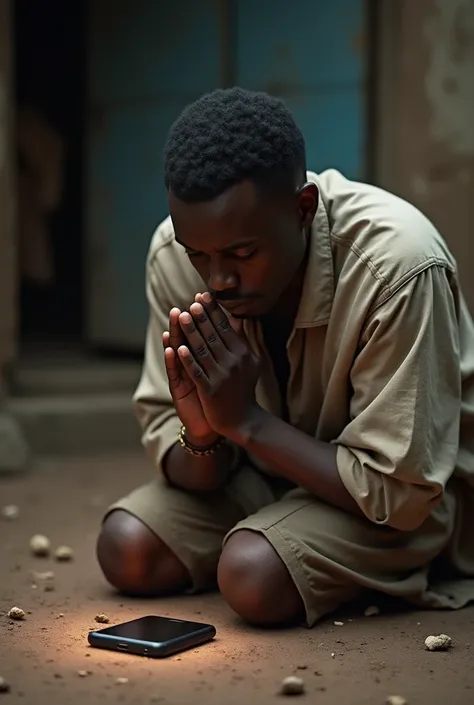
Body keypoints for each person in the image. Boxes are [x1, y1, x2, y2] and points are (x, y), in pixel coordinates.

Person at [97, 87, 474, 628]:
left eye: (243, 254)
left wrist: (244, 423)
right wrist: (204, 435)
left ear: (303, 209)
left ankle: (291, 546)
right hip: (259, 477)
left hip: (399, 505)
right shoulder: (173, 256)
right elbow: (188, 466)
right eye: (198, 254)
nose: (218, 278)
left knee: (252, 573)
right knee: (127, 547)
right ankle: (277, 534)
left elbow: (400, 494)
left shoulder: (398, 268)